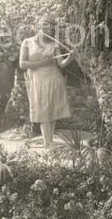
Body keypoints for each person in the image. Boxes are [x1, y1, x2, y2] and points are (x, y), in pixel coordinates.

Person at [19, 15, 75, 148]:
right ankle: (47, 143)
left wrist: (70, 58)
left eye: (51, 25)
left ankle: (50, 142)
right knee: (43, 111)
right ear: (39, 25)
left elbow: (61, 64)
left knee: (53, 110)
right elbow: (22, 64)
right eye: (45, 24)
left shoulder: (54, 43)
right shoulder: (27, 42)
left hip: (54, 78)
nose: (48, 27)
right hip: (38, 80)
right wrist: (43, 62)